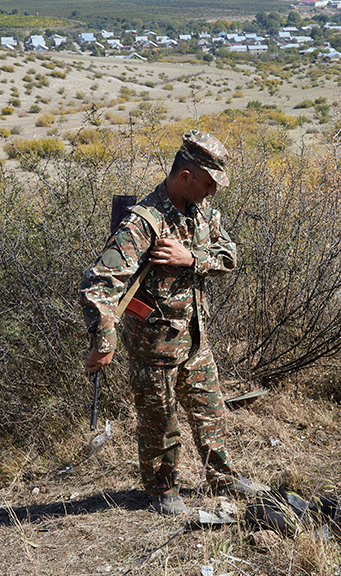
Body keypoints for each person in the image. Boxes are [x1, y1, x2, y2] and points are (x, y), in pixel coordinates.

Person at [79, 130, 268, 516]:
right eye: (209, 182)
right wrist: (104, 340)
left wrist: (192, 258)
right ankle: (163, 489)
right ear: (186, 176)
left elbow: (229, 254)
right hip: (155, 346)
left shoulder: (204, 213)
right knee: (159, 422)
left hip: (195, 339)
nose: (213, 192)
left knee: (210, 411)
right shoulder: (142, 224)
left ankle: (223, 477)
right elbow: (99, 283)